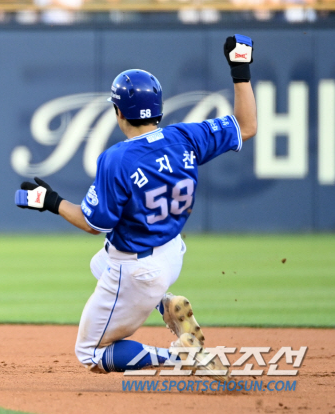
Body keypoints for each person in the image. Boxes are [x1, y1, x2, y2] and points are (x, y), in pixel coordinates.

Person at [16, 35, 257, 378]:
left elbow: (92, 222)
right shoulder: (185, 136)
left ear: (118, 111)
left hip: (139, 269)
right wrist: (240, 70)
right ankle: (165, 303)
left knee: (90, 353)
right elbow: (246, 126)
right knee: (99, 262)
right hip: (172, 251)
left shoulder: (117, 159)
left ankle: (181, 358)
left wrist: (50, 202)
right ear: (158, 107)